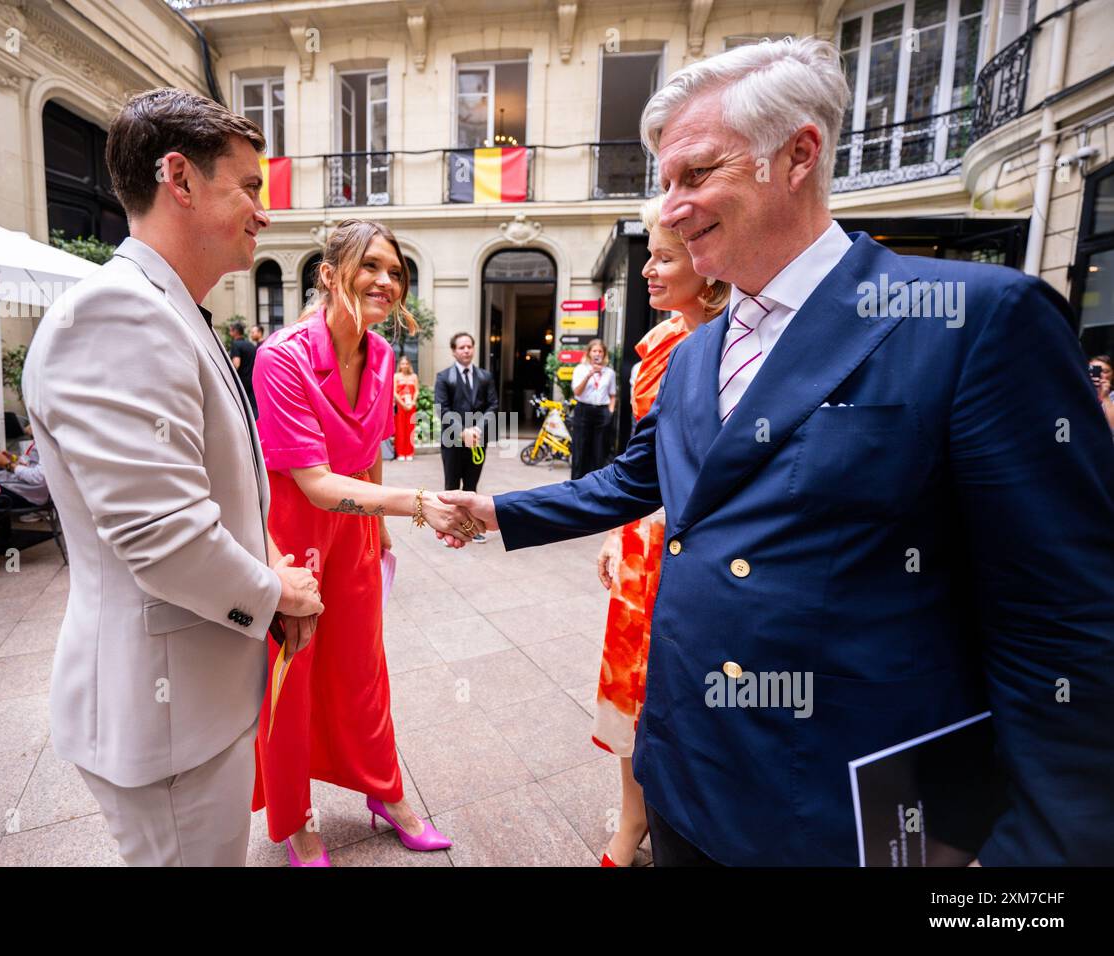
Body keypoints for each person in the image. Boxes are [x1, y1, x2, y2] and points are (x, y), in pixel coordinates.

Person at [442, 38, 1114, 866]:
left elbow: (1068, 626)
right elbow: (634, 480)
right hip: (684, 783)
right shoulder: (690, 354)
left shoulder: (974, 321)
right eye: (665, 185)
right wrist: (497, 510)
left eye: (695, 175)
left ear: (799, 154)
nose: (672, 209)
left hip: (846, 816)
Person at [22, 88, 323, 867]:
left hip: (190, 697)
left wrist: (264, 570)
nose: (264, 210)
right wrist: (275, 593)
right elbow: (161, 534)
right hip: (162, 715)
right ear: (179, 179)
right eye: (249, 186)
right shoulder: (118, 313)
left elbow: (194, 497)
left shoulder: (167, 308)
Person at [251, 218, 474, 866]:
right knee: (291, 688)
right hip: (294, 545)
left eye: (396, 271)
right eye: (371, 265)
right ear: (329, 275)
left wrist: (380, 543)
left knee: (365, 676)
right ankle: (298, 822)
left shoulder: (382, 358)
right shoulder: (282, 356)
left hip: (354, 542)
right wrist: (421, 505)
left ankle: (387, 795)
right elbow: (316, 484)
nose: (385, 280)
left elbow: (370, 461)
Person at [595, 196, 729, 867]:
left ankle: (671, 820)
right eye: (650, 255)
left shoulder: (726, 345)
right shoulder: (658, 342)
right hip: (646, 540)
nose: (648, 270)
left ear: (706, 267)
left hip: (698, 544)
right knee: (628, 684)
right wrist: (618, 530)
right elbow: (640, 460)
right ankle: (633, 818)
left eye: (663, 258)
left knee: (680, 687)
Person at [434, 331, 498, 538]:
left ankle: (473, 528)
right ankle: (449, 528)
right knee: (452, 487)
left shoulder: (485, 376)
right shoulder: (444, 377)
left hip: (477, 440)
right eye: (461, 347)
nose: (466, 350)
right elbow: (442, 409)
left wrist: (477, 429)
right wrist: (463, 432)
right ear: (454, 351)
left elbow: (492, 406)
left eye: (469, 346)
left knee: (471, 487)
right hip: (453, 439)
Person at [570, 339, 616, 479]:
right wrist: (589, 375)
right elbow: (577, 392)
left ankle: (596, 484)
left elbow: (613, 395)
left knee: (599, 450)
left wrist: (610, 412)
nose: (597, 354)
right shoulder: (580, 369)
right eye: (594, 351)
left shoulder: (609, 372)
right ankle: (577, 483)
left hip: (602, 412)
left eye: (600, 351)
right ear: (589, 353)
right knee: (581, 449)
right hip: (584, 411)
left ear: (604, 354)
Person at [228, 320, 259, 417]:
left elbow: (236, 364)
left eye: (231, 330)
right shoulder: (251, 345)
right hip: (252, 380)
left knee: (241, 409)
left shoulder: (236, 345)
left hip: (241, 382)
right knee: (253, 408)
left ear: (235, 332)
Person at [393, 355, 419, 460]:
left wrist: (413, 402)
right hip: (400, 406)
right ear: (400, 365)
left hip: (411, 405)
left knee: (410, 429)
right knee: (400, 429)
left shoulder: (414, 376)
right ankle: (400, 453)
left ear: (409, 365)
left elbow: (417, 390)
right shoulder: (396, 376)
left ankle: (409, 452)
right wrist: (402, 404)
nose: (404, 365)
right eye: (402, 363)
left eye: (406, 363)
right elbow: (394, 392)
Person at [1089, 354, 1114, 431]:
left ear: (1113, 375)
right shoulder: (1077, 393)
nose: (1100, 375)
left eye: (1105, 371)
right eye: (1094, 370)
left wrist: (1105, 398)